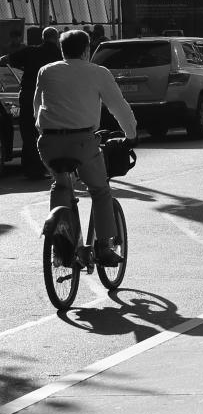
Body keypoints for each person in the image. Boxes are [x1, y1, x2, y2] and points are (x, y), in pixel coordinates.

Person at [34, 30, 137, 266]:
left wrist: (44, 131)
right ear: (86, 50)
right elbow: (119, 107)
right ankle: (104, 248)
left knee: (60, 185)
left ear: (62, 50)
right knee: (100, 191)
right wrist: (131, 135)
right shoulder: (98, 73)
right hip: (82, 142)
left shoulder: (46, 71)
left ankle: (62, 248)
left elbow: (36, 107)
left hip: (48, 143)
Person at [0, 27, 63, 179]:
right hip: (50, 97)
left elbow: (4, 60)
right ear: (56, 38)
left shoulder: (30, 51)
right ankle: (52, 167)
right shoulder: (60, 55)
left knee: (28, 132)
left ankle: (30, 169)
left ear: (43, 37)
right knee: (49, 132)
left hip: (28, 95)